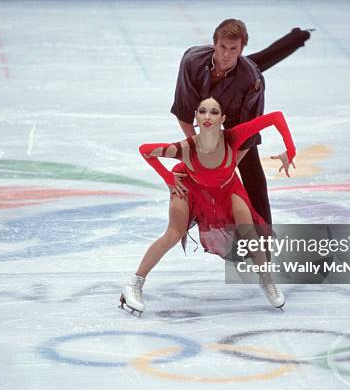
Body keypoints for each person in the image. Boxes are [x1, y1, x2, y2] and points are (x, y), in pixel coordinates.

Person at [120, 97, 296, 316]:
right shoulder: (186, 148)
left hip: (227, 187)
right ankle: (134, 284)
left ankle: (266, 280)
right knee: (174, 233)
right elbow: (145, 150)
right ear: (196, 117)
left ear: (222, 118)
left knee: (248, 229)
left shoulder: (233, 136)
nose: (207, 116)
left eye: (214, 112)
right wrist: (168, 178)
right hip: (190, 186)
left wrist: (290, 150)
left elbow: (275, 117)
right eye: (202, 111)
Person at [171, 19, 310, 227]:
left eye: (233, 49)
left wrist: (224, 169)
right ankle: (298, 35)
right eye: (222, 47)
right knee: (199, 166)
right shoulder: (192, 62)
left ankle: (263, 235)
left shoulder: (251, 81)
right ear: (214, 44)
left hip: (238, 110)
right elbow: (184, 112)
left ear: (242, 48)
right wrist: (197, 149)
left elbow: (247, 136)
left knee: (251, 170)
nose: (226, 54)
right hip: (210, 105)